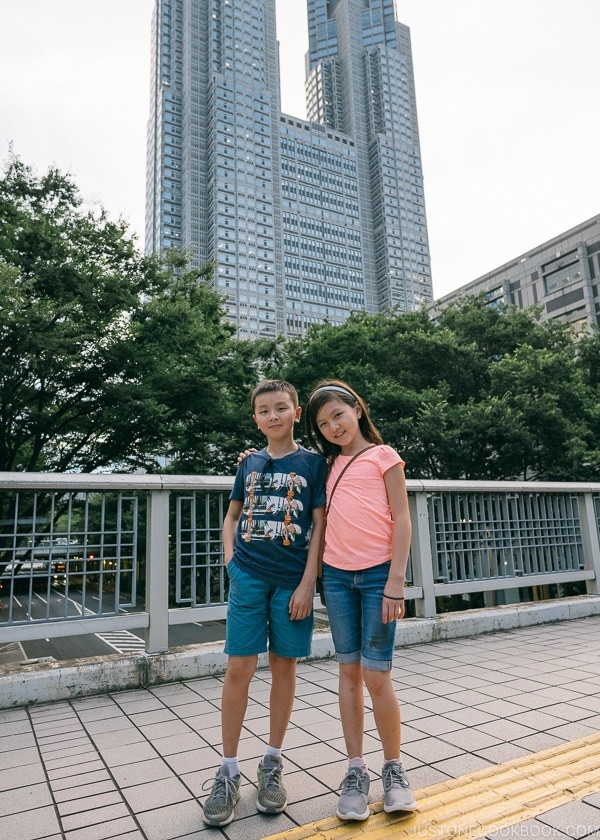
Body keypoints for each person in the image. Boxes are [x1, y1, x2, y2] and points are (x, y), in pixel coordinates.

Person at [202, 379, 326, 828]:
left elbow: (319, 525)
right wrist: (231, 563)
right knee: (239, 666)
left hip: (292, 582)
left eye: (280, 408)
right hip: (248, 578)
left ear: (296, 412)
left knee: (284, 667)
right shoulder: (249, 463)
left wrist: (308, 582)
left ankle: (271, 763)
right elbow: (232, 515)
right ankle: (228, 769)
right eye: (263, 410)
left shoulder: (315, 464)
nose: (272, 416)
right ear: (255, 418)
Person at [305, 379, 416, 821]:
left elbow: (403, 519)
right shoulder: (326, 464)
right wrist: (246, 460)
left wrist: (395, 581)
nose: (334, 426)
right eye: (323, 423)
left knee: (376, 674)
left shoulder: (384, 457)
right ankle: (355, 771)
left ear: (357, 408)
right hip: (335, 578)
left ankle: (394, 769)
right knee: (347, 671)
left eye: (339, 415)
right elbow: (282, 463)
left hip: (376, 579)